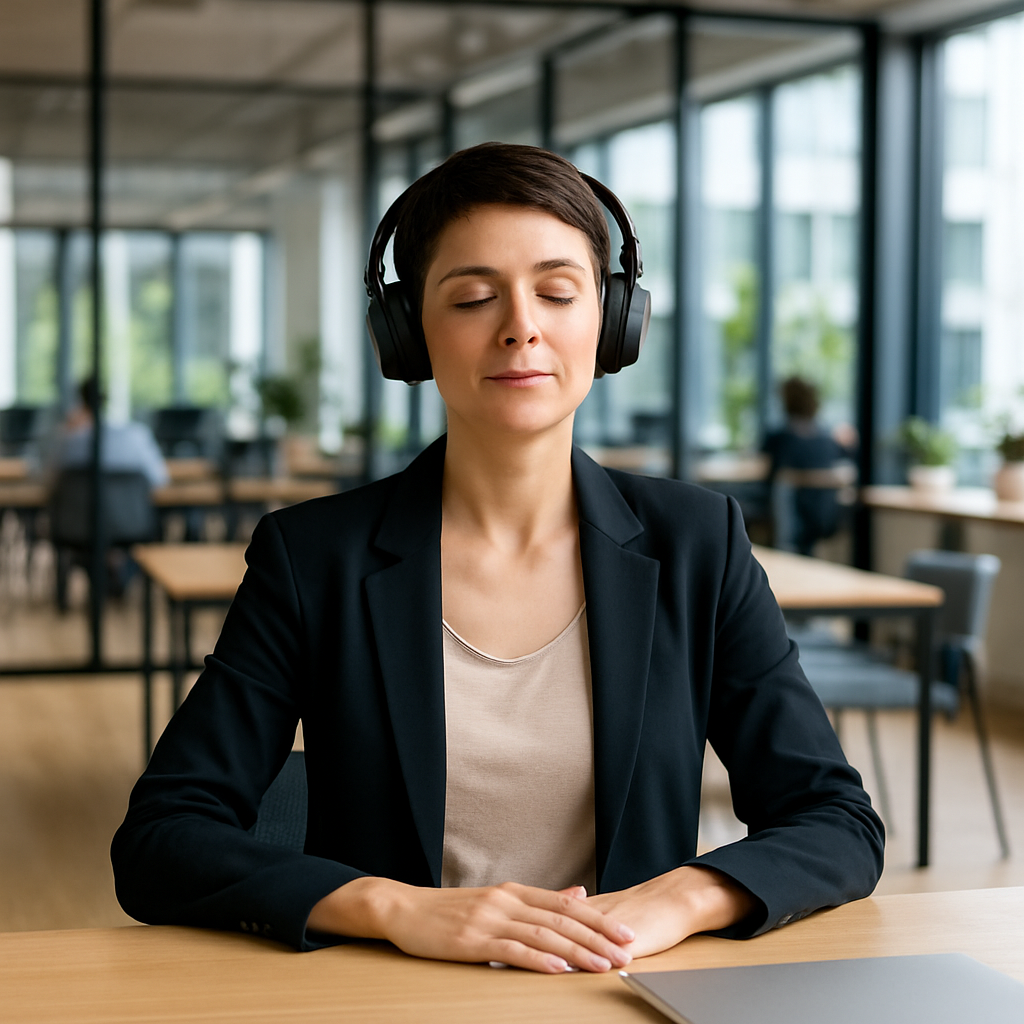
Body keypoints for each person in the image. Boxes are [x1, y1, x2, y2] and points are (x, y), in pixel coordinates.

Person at [112, 144, 883, 975]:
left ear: (612, 322)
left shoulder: (698, 543)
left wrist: (682, 897)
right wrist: (393, 906)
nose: (522, 326)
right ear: (408, 336)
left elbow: (835, 820)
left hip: (620, 991)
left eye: (558, 291)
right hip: (396, 997)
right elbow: (163, 837)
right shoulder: (313, 558)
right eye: (474, 297)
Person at [762, 376, 857, 556]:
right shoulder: (827, 439)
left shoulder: (781, 438)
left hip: (791, 515)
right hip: (822, 511)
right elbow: (847, 469)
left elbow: (766, 471)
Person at [47, 377, 169, 488]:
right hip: (129, 511)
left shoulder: (67, 442)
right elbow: (159, 480)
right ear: (105, 398)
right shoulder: (136, 437)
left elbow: (47, 482)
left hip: (74, 511)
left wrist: (64, 433)